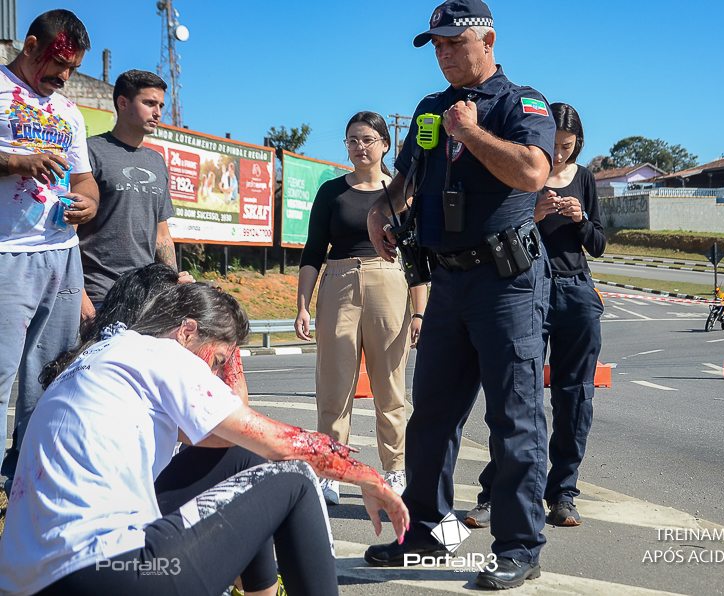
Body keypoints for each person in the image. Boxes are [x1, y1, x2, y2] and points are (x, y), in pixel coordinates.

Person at [0, 282, 409, 595]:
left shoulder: (100, 359)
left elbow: (233, 444)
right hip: (114, 572)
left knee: (242, 461)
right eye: (217, 362)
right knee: (296, 478)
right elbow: (280, 443)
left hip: (28, 582)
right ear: (186, 331)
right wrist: (367, 477)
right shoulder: (161, 355)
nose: (215, 377)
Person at [364, 0, 556, 589]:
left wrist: (470, 132)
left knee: (514, 417)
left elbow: (532, 172)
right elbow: (408, 178)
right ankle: (427, 533)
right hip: (445, 281)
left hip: (507, 283)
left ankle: (519, 547)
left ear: (487, 41)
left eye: (454, 43)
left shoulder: (522, 103)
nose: (444, 54)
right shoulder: (430, 108)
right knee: (432, 417)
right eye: (437, 46)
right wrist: (383, 209)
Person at [40, 263, 281, 596]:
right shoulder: (152, 358)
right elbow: (240, 427)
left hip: (45, 554)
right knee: (254, 465)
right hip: (105, 550)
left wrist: (223, 332)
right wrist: (225, 329)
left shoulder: (99, 358)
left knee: (243, 459)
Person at [465, 103, 606, 530]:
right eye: (554, 144)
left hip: (576, 292)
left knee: (574, 397)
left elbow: (599, 244)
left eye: (567, 146)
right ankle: (495, 494)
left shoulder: (585, 179)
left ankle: (563, 494)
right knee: (515, 397)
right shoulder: (521, 174)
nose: (559, 154)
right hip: (525, 290)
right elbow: (494, 233)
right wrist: (534, 215)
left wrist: (581, 220)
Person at [295, 111, 427, 504]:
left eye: (368, 139)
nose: (359, 147)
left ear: (385, 144)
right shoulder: (331, 192)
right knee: (334, 386)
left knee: (391, 387)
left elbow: (416, 256)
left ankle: (395, 470)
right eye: (352, 140)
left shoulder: (401, 194)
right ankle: (330, 470)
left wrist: (419, 311)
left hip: (389, 280)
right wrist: (302, 305)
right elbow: (312, 251)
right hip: (338, 282)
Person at [0, 9, 99, 492]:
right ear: (31, 45)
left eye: (73, 69)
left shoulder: (69, 112)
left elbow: (84, 180)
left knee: (52, 376)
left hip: (62, 253)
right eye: (59, 64)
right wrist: (16, 161)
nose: (64, 77)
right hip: (7, 254)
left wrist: (89, 204)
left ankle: (26, 486)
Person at [78, 69, 192, 319]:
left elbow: (162, 234)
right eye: (149, 103)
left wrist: (173, 280)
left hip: (146, 294)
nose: (158, 112)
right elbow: (68, 232)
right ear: (123, 103)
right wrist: (79, 295)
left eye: (161, 105)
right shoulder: (90, 151)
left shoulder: (156, 161)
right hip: (99, 293)